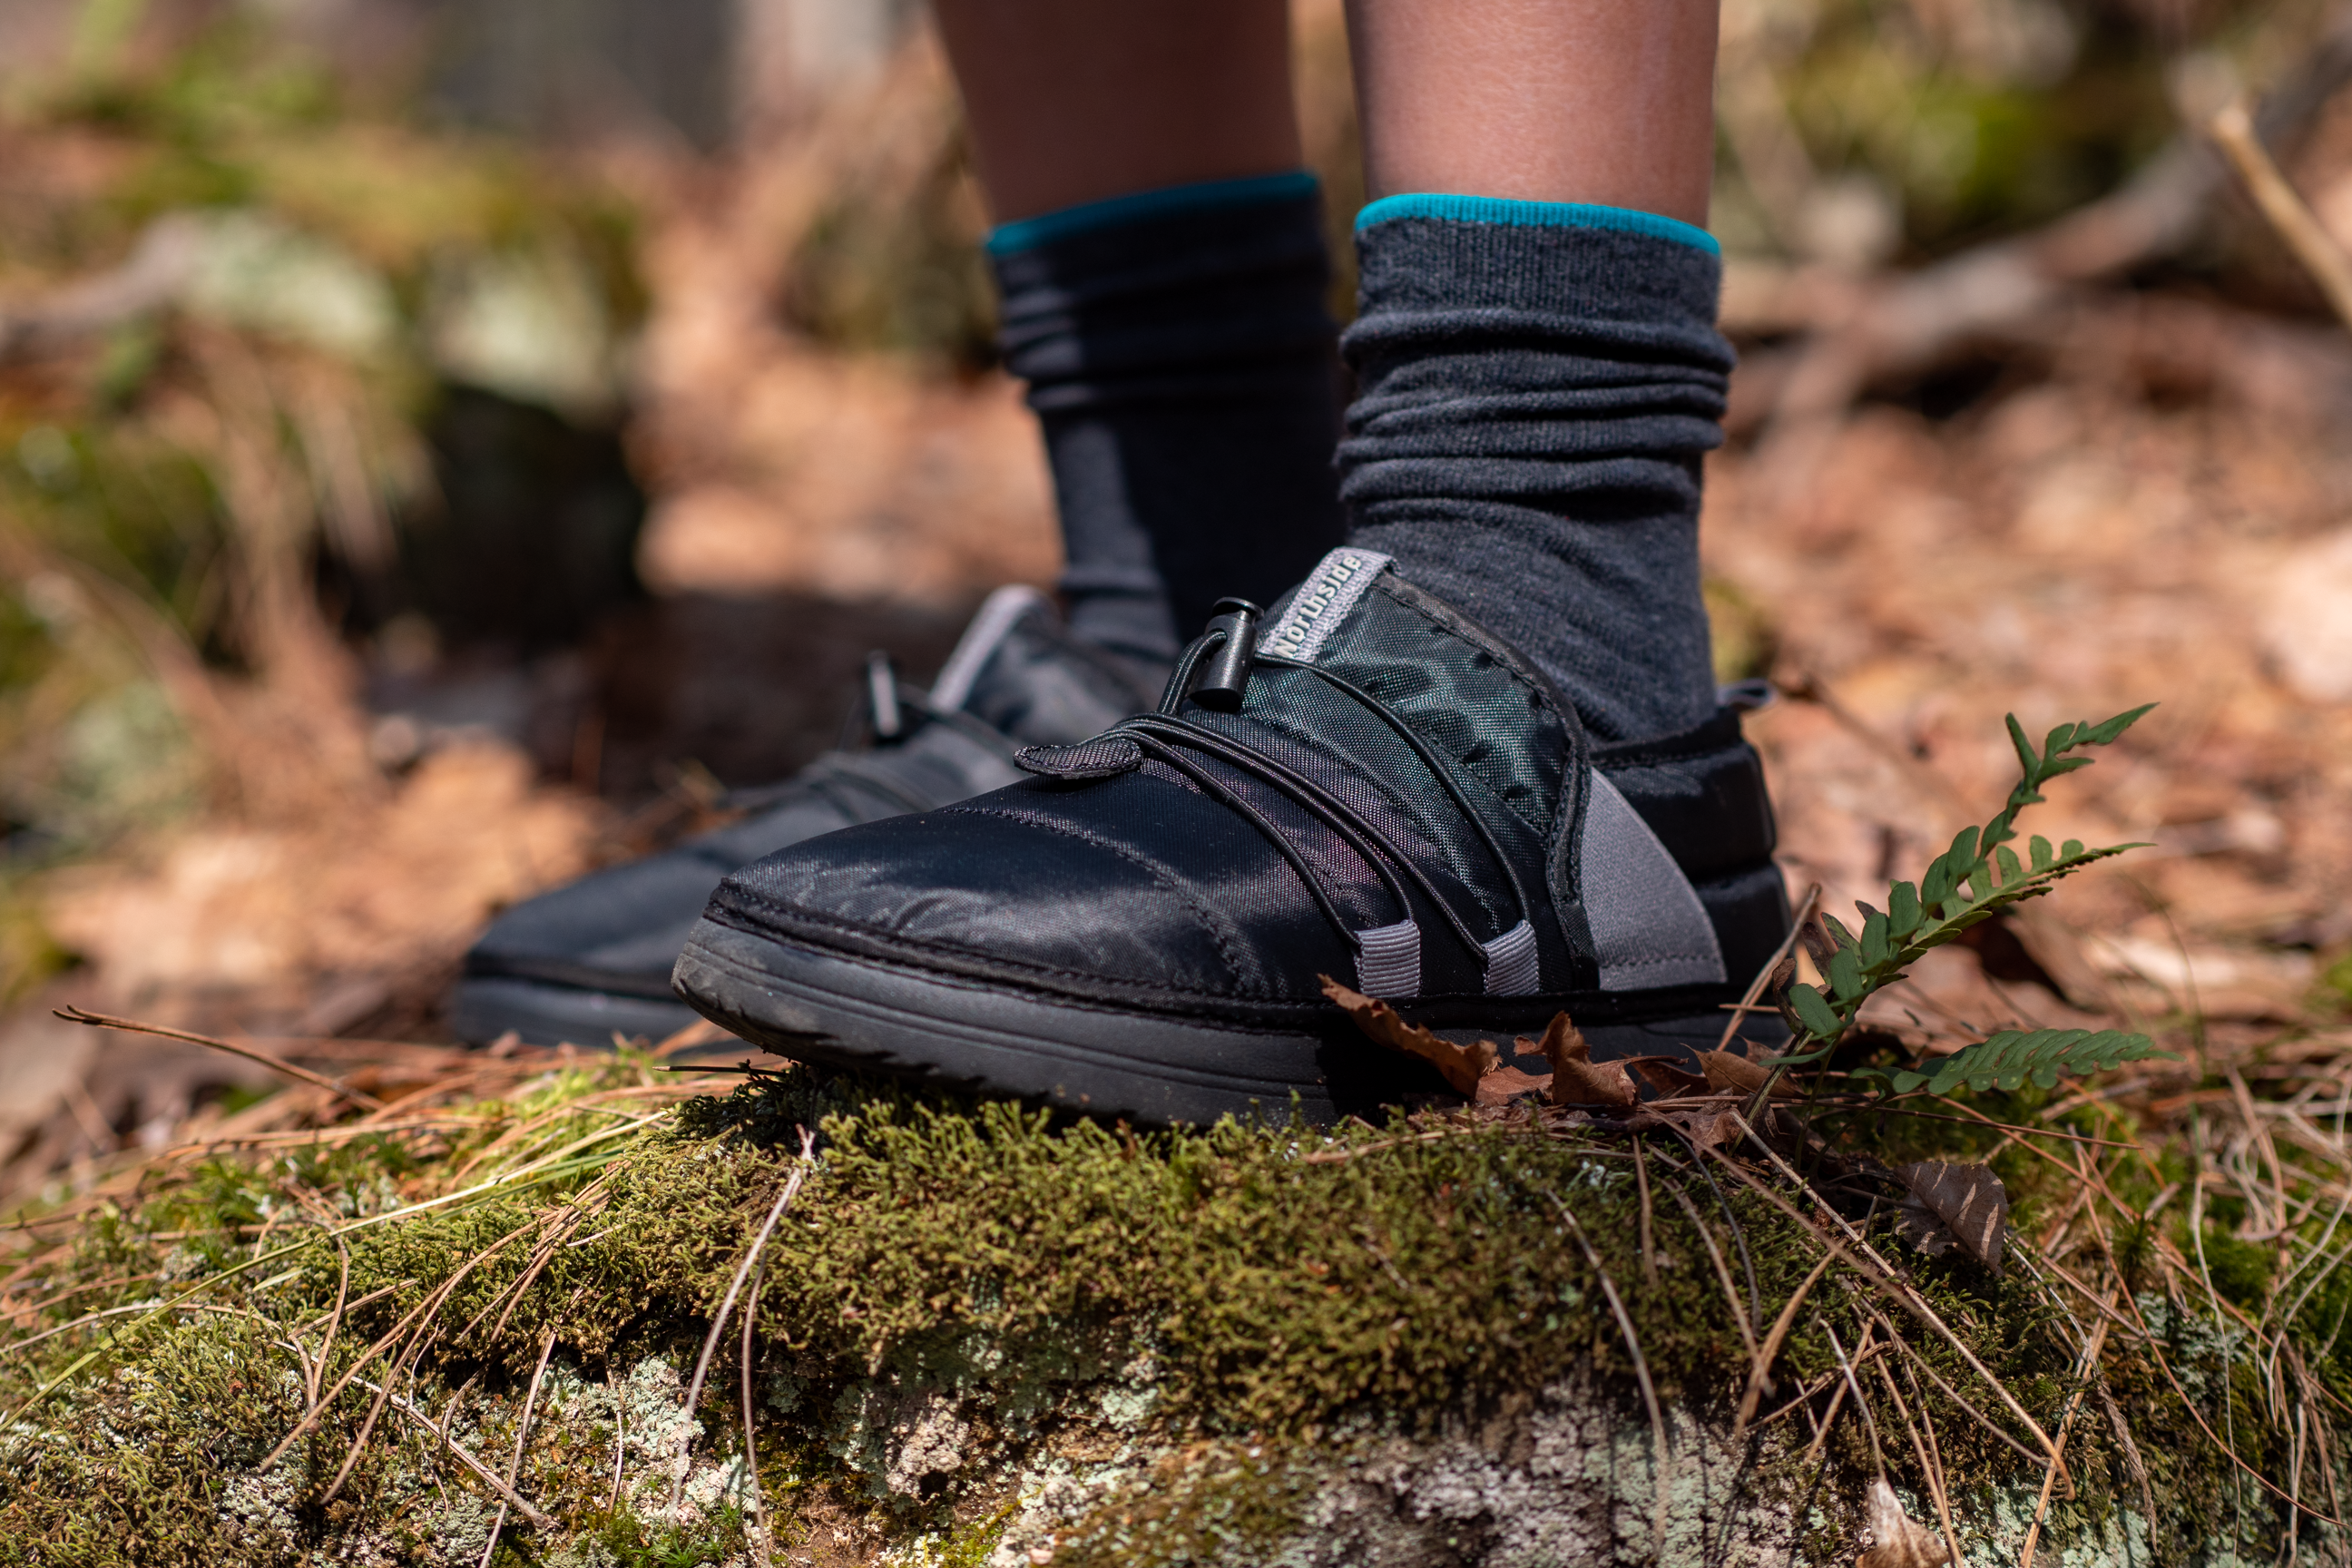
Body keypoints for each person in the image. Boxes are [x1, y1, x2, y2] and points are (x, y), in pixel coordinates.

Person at [464, 0, 1789, 1126]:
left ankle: (1552, 622)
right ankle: (1190, 608)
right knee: (1190, 561)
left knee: (1523, 547)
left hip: (1566, 713)